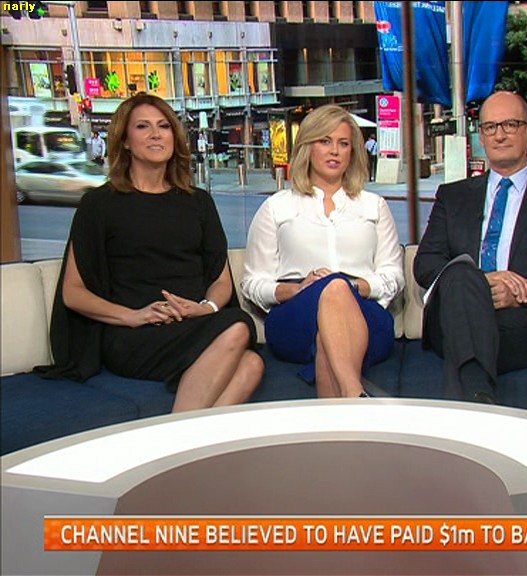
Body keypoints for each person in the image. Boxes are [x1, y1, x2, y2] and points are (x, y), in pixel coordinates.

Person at [37, 93, 264, 412]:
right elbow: (73, 294)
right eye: (143, 126)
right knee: (239, 326)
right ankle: (178, 433)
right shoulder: (99, 204)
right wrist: (134, 316)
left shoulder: (198, 202)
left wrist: (206, 308)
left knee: (252, 364)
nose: (156, 134)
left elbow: (220, 280)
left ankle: (179, 435)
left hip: (193, 325)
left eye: (164, 126)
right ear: (125, 141)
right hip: (133, 334)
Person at [413, 91, 527, 404]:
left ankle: (474, 395)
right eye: (490, 127)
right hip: (456, 312)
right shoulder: (452, 196)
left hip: (521, 321)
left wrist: (518, 292)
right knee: (462, 273)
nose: (500, 135)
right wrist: (482, 283)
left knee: (466, 334)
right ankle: (479, 398)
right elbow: (425, 263)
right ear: (481, 135)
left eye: (510, 124)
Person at [241, 105, 404, 398]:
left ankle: (348, 401)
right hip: (296, 315)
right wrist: (298, 290)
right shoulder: (277, 207)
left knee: (334, 298)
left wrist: (351, 287)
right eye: (325, 141)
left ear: (353, 152)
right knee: (332, 293)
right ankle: (354, 396)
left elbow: (393, 275)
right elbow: (253, 282)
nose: (335, 151)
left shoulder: (374, 206)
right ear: (307, 146)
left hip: (364, 313)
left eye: (344, 143)